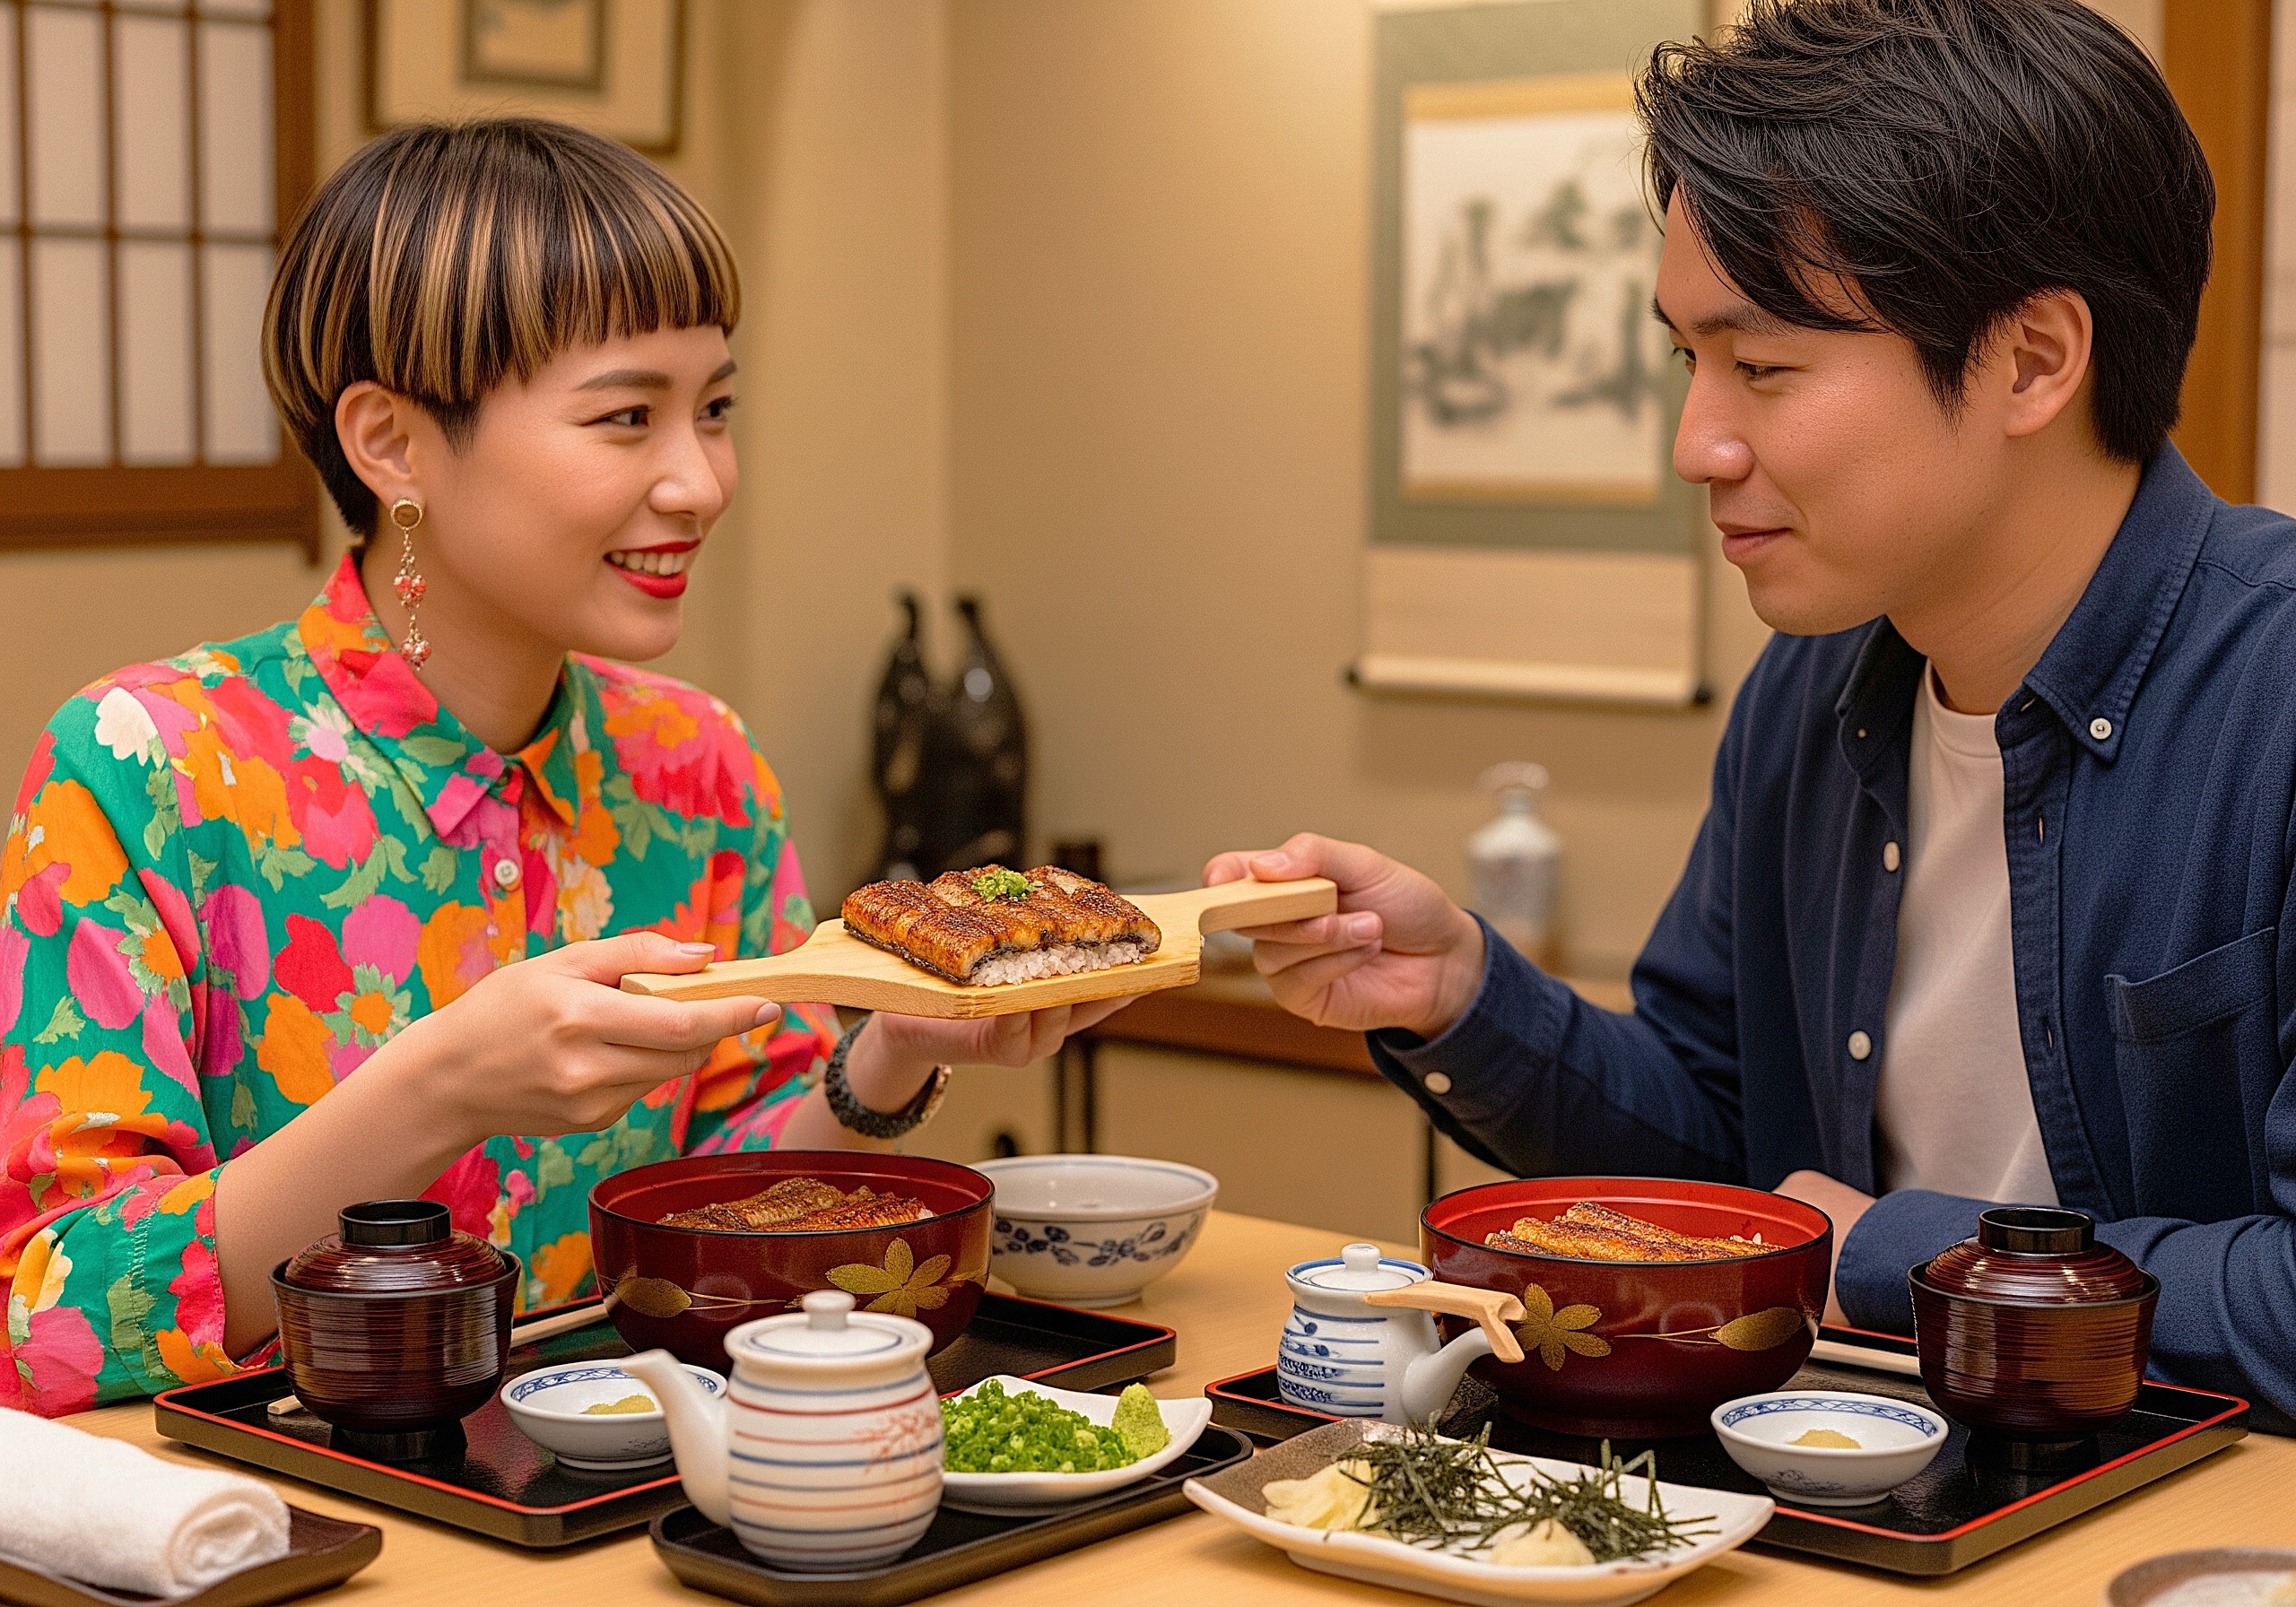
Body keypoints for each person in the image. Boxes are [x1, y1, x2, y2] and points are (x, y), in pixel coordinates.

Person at [1211, 0, 2296, 1429]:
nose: (1696, 444)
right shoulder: (1816, 690)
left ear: (2034, 359)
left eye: (1766, 368)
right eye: (1688, 362)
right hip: (1848, 1503)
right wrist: (1466, 995)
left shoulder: (2269, 694)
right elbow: (1722, 1155)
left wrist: (1888, 1257)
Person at [0, 119, 1123, 1415]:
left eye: (714, 410)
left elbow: (735, 1192)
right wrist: (442, 1087)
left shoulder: (695, 760)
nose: (700, 480)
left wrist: (886, 1060)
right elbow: (56, 1322)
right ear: (393, 445)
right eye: (626, 417)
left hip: (634, 1511)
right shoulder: (145, 764)